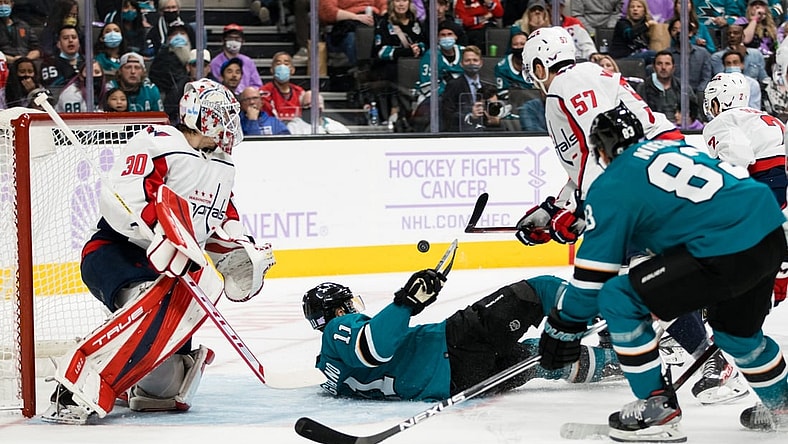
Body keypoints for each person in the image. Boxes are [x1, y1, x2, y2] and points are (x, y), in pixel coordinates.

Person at [519, 26, 744, 405]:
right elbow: (590, 159)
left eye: (533, 69)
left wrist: (579, 211)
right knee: (635, 277)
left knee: (638, 277)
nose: (533, 78)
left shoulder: (567, 84)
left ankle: (710, 361)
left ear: (540, 65)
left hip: (648, 174)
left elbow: (603, 147)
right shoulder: (584, 77)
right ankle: (689, 349)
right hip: (650, 171)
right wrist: (554, 208)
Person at [536, 102, 788, 440]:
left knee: (619, 297)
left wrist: (563, 325)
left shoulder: (612, 181)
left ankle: (657, 410)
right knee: (736, 334)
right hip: (771, 231)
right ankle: (783, 406)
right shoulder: (672, 148)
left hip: (725, 248)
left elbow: (593, 277)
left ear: (602, 149)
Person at [42, 78, 276, 425]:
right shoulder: (158, 142)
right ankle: (74, 383)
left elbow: (217, 219)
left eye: (230, 116)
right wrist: (157, 233)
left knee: (162, 390)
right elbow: (120, 198)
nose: (229, 125)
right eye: (220, 116)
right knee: (146, 305)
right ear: (198, 116)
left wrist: (239, 248)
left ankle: (129, 383)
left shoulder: (224, 165)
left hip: (170, 270)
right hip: (116, 251)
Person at [303, 270, 621, 401]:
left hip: (460, 383)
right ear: (339, 312)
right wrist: (405, 303)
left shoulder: (332, 376)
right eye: (349, 305)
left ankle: (618, 363)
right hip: (452, 346)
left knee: (538, 357)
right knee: (536, 291)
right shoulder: (337, 330)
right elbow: (373, 348)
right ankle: (623, 318)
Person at [369, 0, 426, 122]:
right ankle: (395, 110)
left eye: (404, 0)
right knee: (394, 70)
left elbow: (425, 44)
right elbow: (380, 51)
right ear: (391, 4)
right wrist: (405, 52)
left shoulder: (416, 23)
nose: (401, 4)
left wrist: (418, 49)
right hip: (390, 68)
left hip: (415, 66)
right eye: (397, 0)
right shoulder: (384, 23)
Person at [410, 19, 464, 131]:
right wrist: (448, 96)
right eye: (442, 35)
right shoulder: (430, 55)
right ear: (437, 38)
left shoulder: (465, 53)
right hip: (435, 98)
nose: (446, 38)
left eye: (449, 34)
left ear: (456, 37)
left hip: (461, 97)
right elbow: (427, 86)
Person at [637, 50, 703, 129]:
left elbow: (695, 114)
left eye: (667, 64)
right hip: (654, 132)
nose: (663, 68)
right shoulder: (643, 87)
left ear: (673, 68)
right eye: (659, 64)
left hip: (682, 132)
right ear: (654, 67)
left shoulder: (684, 88)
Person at [318, 0, 386, 67]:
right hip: (346, 25)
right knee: (356, 37)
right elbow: (327, 11)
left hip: (374, 19)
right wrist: (355, 17)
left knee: (386, 33)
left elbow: (384, 5)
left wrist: (387, 16)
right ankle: (362, 69)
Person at [148, 20, 192, 121]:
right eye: (175, 34)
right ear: (168, 38)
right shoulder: (162, 58)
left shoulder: (194, 55)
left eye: (182, 33)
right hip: (170, 104)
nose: (179, 36)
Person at [440, 45, 488, 132]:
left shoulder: (487, 86)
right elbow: (447, 113)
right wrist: (470, 116)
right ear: (461, 63)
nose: (471, 63)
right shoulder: (453, 85)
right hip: (461, 131)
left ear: (481, 63)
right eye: (467, 60)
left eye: (475, 60)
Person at [208, 24, 263, 95]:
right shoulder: (215, 63)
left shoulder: (248, 62)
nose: (234, 41)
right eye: (230, 38)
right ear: (223, 40)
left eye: (237, 39)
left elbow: (257, 85)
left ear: (242, 41)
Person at [609, 0, 658, 64]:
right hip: (621, 58)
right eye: (632, 7)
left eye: (639, 7)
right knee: (651, 55)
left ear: (644, 10)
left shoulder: (647, 26)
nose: (635, 9)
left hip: (639, 58)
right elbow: (629, 34)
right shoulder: (622, 23)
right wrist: (647, 25)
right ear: (628, 10)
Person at [260, 51, 305, 121]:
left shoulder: (299, 92)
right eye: (278, 64)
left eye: (286, 64)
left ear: (292, 70)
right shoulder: (264, 92)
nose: (282, 67)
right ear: (272, 70)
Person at [287, 90, 352, 134]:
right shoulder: (293, 128)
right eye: (307, 104)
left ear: (323, 107)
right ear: (301, 107)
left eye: (316, 104)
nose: (312, 107)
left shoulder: (336, 127)